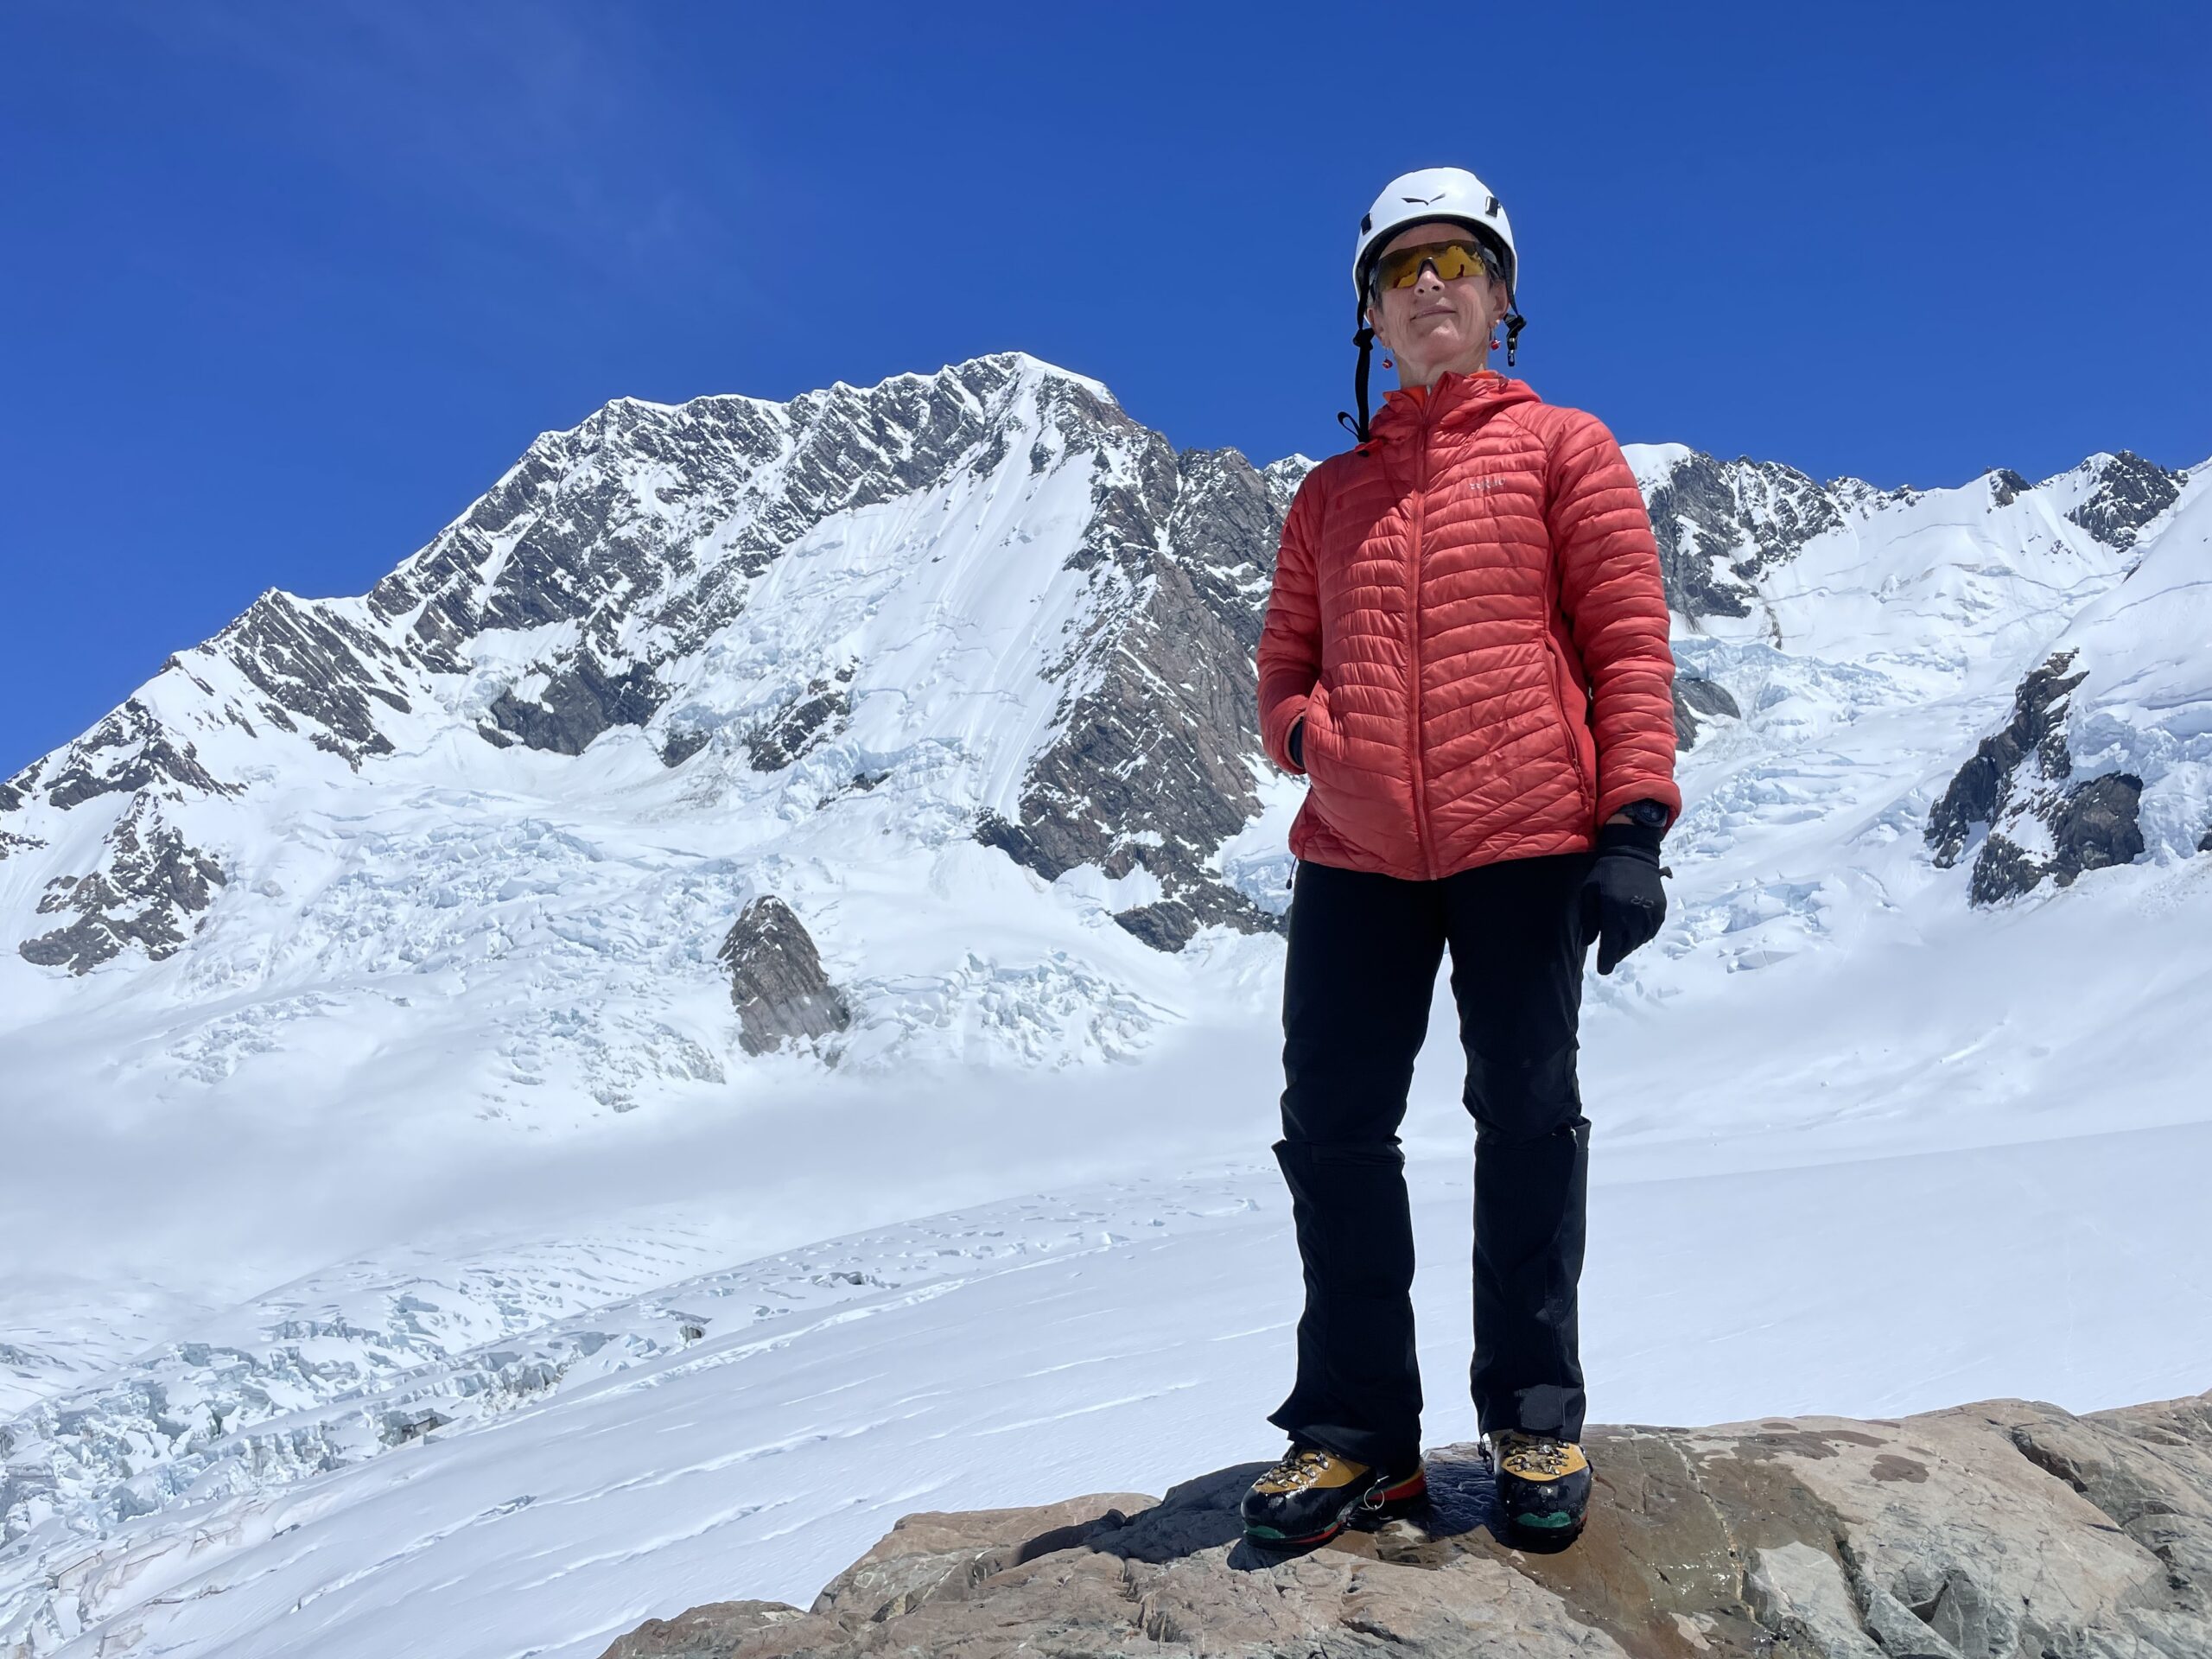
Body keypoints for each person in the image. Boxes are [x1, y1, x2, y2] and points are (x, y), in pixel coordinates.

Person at [1238, 165, 1681, 1550]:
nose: (1430, 284)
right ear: (1370, 314)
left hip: (1525, 835)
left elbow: (1627, 643)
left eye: (1459, 263)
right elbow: (1281, 663)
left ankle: (1534, 1417)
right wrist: (1310, 736)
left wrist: (1633, 824)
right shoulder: (1329, 497)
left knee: (1529, 1120)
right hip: (1356, 852)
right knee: (1333, 1132)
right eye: (1401, 268)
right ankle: (1356, 1438)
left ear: (1502, 300)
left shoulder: (1565, 450)